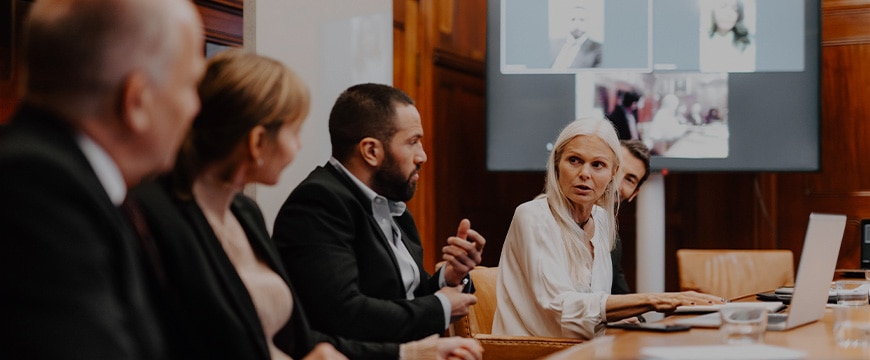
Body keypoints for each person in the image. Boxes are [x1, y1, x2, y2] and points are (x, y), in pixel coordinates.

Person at [130, 50, 483, 360]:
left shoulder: (244, 212)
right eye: (294, 131)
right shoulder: (162, 214)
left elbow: (299, 338)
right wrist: (416, 344)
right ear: (257, 141)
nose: (299, 147)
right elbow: (338, 314)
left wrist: (443, 287)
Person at [0, 0, 204, 358]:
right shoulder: (37, 190)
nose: (195, 107)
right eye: (190, 85)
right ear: (137, 101)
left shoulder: (79, 181)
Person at [272, 83, 486, 343]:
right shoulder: (319, 203)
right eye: (413, 142)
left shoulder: (393, 207)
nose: (423, 156)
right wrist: (440, 308)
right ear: (371, 151)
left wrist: (450, 276)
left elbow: (404, 298)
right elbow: (343, 314)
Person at [491, 117, 724, 340]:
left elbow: (588, 311)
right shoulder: (532, 215)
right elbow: (559, 308)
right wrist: (657, 300)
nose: (585, 173)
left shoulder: (601, 219)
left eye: (598, 165)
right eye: (574, 160)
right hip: (532, 352)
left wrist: (617, 319)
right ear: (556, 164)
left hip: (584, 348)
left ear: (613, 173)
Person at [610, 139, 651, 295]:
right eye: (616, 170)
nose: (616, 183)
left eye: (629, 179)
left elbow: (621, 295)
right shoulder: (543, 218)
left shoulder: (612, 238)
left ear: (634, 194)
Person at [699, 0, 756, 72]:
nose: (728, 14)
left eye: (734, 9)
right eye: (723, 7)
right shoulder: (703, 42)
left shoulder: (747, 45)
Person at [550, 0, 602, 69]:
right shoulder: (553, 44)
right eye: (573, 19)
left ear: (588, 23)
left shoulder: (597, 49)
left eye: (581, 20)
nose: (577, 24)